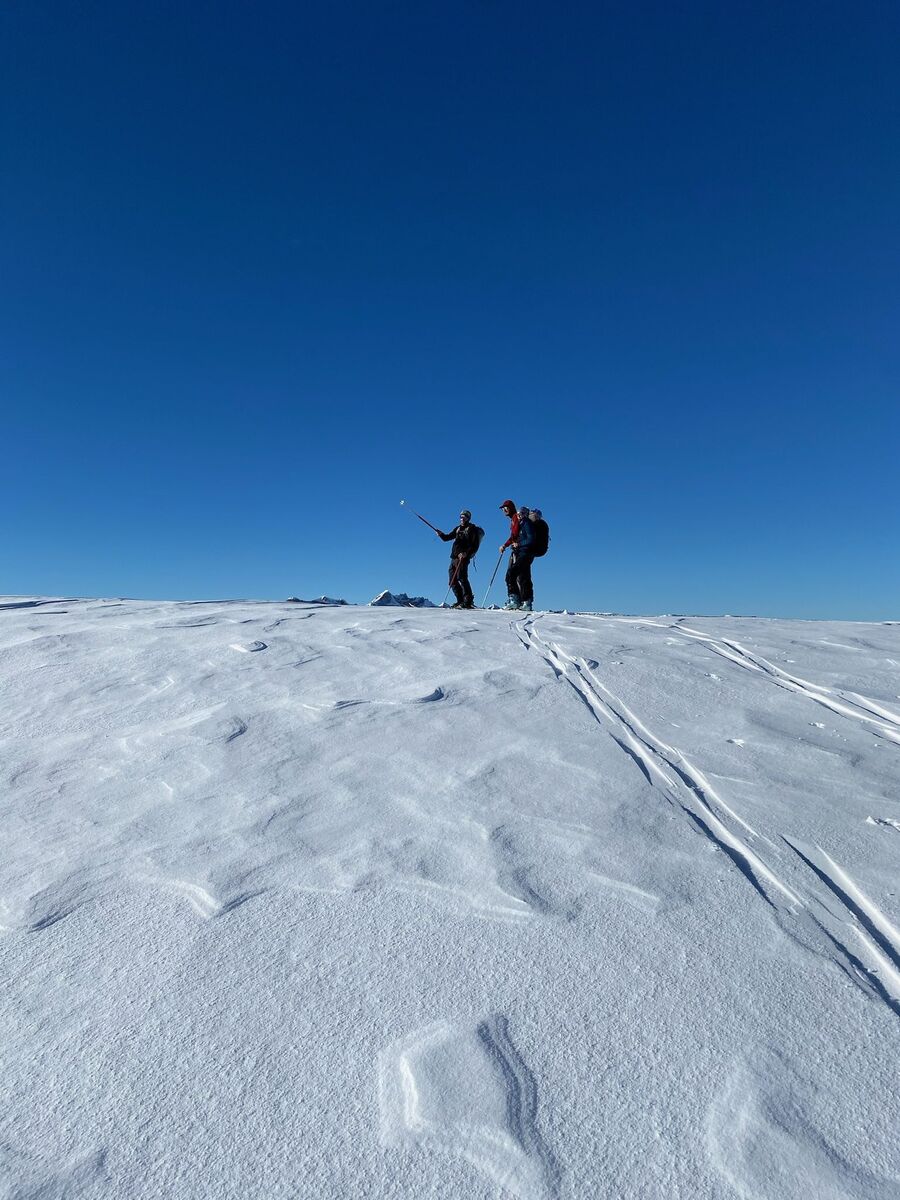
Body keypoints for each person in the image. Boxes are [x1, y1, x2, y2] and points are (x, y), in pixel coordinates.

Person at [437, 510, 480, 608]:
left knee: (462, 578)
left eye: (464, 517)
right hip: (454, 558)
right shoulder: (458, 528)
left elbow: (474, 545)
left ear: (468, 518)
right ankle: (460, 600)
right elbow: (447, 538)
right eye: (461, 517)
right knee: (452, 581)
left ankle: (468, 601)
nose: (462, 519)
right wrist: (441, 534)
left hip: (463, 558)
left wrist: (465, 553)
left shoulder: (472, 529)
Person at [499, 500, 534, 611]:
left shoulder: (523, 521)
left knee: (512, 574)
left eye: (506, 507)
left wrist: (517, 544)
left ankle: (516, 600)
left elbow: (529, 538)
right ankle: (524, 602)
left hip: (524, 552)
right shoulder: (518, 520)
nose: (504, 510)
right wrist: (506, 545)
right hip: (521, 551)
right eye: (503, 508)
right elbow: (514, 536)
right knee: (523, 576)